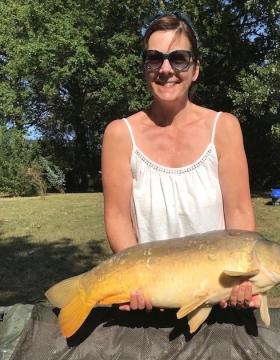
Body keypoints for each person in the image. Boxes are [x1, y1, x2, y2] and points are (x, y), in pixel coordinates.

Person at [101, 10, 260, 313]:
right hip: (149, 306)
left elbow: (239, 211)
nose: (165, 69)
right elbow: (117, 218)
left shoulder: (224, 128)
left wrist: (241, 279)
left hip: (216, 302)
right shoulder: (119, 135)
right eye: (154, 58)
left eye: (178, 58)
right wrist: (139, 281)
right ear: (144, 66)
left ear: (195, 68)